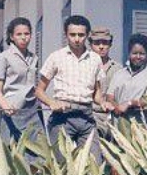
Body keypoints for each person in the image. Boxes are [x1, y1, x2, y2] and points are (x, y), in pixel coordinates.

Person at [35, 15, 113, 164]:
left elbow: (97, 94)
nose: (77, 39)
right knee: (63, 167)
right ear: (66, 35)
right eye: (73, 35)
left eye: (81, 35)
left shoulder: (95, 59)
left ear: (87, 35)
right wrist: (52, 102)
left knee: (94, 164)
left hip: (87, 118)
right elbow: (39, 91)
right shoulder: (56, 57)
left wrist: (103, 103)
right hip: (62, 118)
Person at [0, 17, 45, 159]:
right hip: (13, 112)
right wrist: (5, 106)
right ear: (11, 37)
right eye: (19, 34)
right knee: (11, 156)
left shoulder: (34, 58)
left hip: (33, 111)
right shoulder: (2, 58)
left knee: (38, 155)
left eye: (27, 34)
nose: (23, 37)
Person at [106, 33, 147, 131]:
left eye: (142, 54)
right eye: (134, 53)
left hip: (143, 128)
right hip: (119, 128)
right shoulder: (119, 74)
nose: (138, 57)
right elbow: (109, 96)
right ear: (129, 53)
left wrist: (129, 103)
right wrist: (117, 107)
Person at [88, 27, 122, 139]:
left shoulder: (118, 69)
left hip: (112, 118)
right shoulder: (84, 67)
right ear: (90, 44)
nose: (101, 46)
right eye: (97, 43)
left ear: (110, 44)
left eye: (105, 43)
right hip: (90, 116)